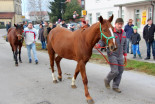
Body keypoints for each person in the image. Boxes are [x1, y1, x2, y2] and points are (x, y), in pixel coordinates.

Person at [96, 18, 127, 93]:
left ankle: (115, 86)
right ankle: (107, 79)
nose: (120, 26)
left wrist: (125, 54)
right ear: (115, 24)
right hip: (112, 53)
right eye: (118, 24)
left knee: (120, 71)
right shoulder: (111, 31)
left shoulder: (124, 33)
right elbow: (103, 40)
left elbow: (125, 44)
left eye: (121, 24)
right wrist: (99, 45)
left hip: (120, 55)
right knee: (115, 71)